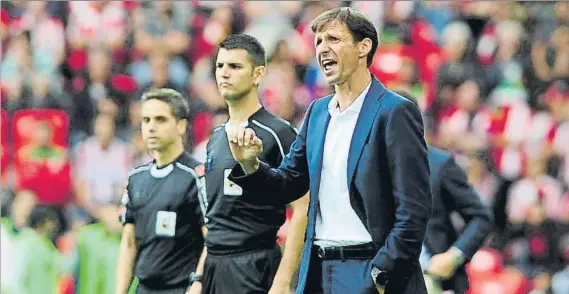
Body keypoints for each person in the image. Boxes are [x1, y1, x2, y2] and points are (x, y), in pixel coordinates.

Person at [226, 7, 432, 294]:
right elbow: (288, 185)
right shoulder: (318, 112)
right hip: (319, 274)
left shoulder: (395, 111)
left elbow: (414, 209)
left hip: (369, 269)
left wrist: (382, 272)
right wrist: (250, 165)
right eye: (319, 41)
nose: (322, 48)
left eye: (333, 39)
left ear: (364, 47)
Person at [187, 34, 309, 294]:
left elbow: (303, 210)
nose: (224, 74)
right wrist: (198, 279)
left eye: (235, 66)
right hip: (214, 271)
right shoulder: (216, 138)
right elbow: (216, 218)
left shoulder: (280, 133)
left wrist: (284, 281)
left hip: (255, 267)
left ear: (258, 74)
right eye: (220, 66)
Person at [397, 91, 494, 294]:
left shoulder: (440, 165)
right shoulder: (369, 168)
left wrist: (454, 255)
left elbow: (481, 217)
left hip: (436, 280)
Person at [115, 88, 208, 294]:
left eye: (160, 119)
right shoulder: (135, 179)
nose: (151, 127)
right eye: (146, 120)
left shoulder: (197, 176)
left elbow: (212, 239)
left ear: (181, 126)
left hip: (182, 288)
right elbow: (129, 244)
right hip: (145, 288)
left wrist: (198, 284)